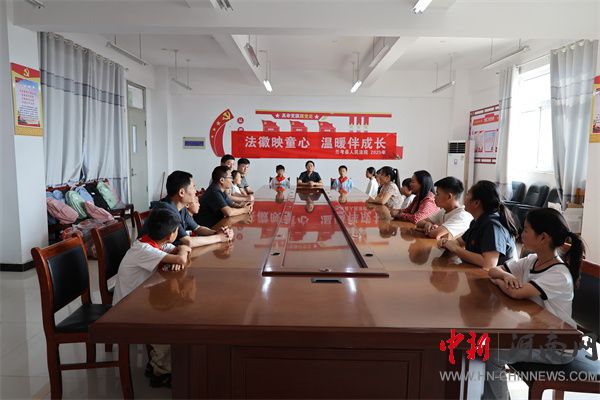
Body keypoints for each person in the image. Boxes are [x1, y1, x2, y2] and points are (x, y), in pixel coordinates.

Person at [484, 208, 585, 399]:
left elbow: (516, 293)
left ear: (543, 238)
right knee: (483, 346)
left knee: (490, 353)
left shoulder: (558, 274)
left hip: (558, 345)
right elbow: (493, 270)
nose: (521, 233)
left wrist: (501, 281)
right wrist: (505, 276)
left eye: (526, 230)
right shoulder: (532, 261)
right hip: (537, 335)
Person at [112, 208, 193, 387]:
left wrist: (181, 250)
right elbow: (181, 258)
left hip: (138, 298)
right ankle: (161, 371)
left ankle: (158, 361)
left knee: (172, 312)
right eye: (177, 231)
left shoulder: (154, 242)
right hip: (125, 308)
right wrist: (182, 252)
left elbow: (180, 250)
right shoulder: (144, 249)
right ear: (171, 235)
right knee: (167, 321)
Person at [438, 180, 518, 269]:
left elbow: (489, 264)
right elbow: (460, 242)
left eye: (467, 195)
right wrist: (447, 243)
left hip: (497, 276)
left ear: (476, 203)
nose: (464, 198)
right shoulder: (477, 221)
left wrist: (456, 249)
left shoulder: (492, 225)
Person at [149, 170, 233, 247]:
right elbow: (188, 241)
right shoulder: (167, 210)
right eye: (193, 187)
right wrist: (219, 237)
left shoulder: (181, 207)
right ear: (181, 192)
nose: (195, 191)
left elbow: (197, 228)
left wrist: (218, 232)